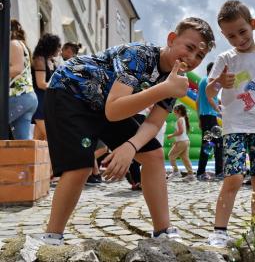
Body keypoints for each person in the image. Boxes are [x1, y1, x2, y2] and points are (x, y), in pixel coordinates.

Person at [28, 17, 215, 246]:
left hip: (105, 104)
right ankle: (52, 236)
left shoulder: (175, 81)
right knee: (80, 167)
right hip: (70, 92)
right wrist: (164, 88)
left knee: (154, 156)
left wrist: (131, 146)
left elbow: (153, 124)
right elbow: (115, 110)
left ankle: (163, 230)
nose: (192, 58)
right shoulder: (138, 55)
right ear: (171, 39)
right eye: (189, 47)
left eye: (200, 55)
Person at [205, 0, 255, 247]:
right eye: (231, 36)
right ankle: (220, 230)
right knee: (234, 178)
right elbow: (209, 91)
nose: (239, 39)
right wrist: (220, 82)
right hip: (234, 126)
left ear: (253, 24)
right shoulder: (224, 59)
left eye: (242, 32)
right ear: (223, 35)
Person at [8, 19, 38, 140]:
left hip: (18, 96)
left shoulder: (13, 44)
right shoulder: (21, 45)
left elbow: (16, 69)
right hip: (27, 98)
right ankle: (29, 160)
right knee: (23, 142)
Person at [31, 33, 62, 140]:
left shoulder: (51, 61)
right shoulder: (39, 59)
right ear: (51, 46)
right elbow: (41, 83)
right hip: (40, 101)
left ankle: (31, 157)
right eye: (58, 46)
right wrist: (60, 87)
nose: (60, 49)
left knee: (39, 140)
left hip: (47, 101)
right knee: (52, 136)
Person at [196, 62, 223, 180]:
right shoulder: (208, 80)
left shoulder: (203, 81)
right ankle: (218, 172)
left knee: (207, 144)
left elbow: (197, 101)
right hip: (210, 116)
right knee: (218, 144)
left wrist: (199, 118)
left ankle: (201, 172)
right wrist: (218, 110)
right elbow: (209, 97)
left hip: (205, 116)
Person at [167, 104, 195, 181]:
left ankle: (176, 171)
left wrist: (171, 135)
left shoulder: (180, 120)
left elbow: (180, 131)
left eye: (174, 110)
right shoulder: (183, 119)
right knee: (185, 158)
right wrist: (176, 141)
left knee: (171, 155)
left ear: (178, 111)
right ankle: (190, 174)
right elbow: (181, 132)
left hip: (182, 141)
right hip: (185, 141)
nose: (173, 111)